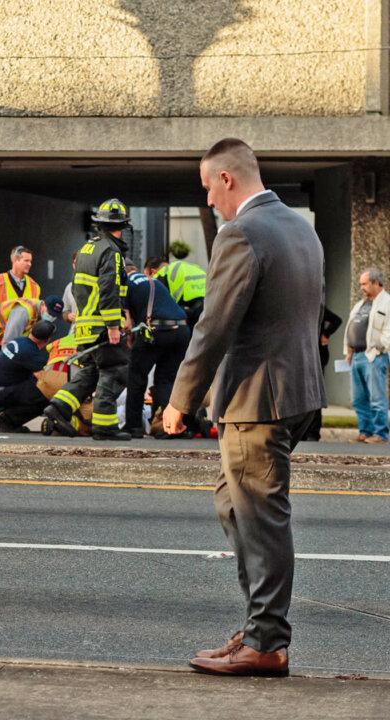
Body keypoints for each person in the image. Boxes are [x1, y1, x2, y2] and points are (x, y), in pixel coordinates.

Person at [163, 138, 326, 677]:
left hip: (258, 399)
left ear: (227, 179)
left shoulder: (242, 233)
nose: (208, 200)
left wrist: (180, 400)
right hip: (297, 392)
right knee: (236, 506)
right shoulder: (300, 228)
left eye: (208, 188)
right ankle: (261, 626)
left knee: (259, 516)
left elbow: (214, 326)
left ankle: (266, 642)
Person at [42, 198, 131, 441]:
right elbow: (109, 288)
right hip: (103, 325)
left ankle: (58, 407)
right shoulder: (111, 252)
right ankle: (105, 426)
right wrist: (114, 325)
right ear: (123, 225)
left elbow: (81, 290)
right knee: (114, 370)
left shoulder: (86, 249)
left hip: (83, 326)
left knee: (89, 373)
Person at [121, 259, 192, 439]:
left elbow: (127, 323)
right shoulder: (154, 282)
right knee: (166, 379)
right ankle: (171, 426)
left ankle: (134, 426)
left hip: (157, 330)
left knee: (136, 375)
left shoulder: (125, 284)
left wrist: (129, 341)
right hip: (182, 329)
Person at [343, 268, 390, 443]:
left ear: (376, 283)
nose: (361, 287)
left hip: (374, 356)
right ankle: (365, 432)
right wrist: (348, 350)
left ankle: (381, 434)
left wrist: (380, 348)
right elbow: (351, 327)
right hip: (356, 356)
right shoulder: (361, 304)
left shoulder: (386, 302)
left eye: (364, 283)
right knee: (358, 398)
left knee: (377, 397)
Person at [0, 320, 55, 433]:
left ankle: (5, 420)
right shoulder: (30, 352)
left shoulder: (20, 341)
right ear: (47, 340)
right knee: (45, 393)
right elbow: (48, 373)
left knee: (34, 385)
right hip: (2, 392)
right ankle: (7, 421)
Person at [304, 304, 343, 441]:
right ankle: (303, 431)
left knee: (315, 393)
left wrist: (325, 334)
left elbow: (337, 320)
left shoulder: (317, 307)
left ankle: (313, 432)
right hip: (305, 354)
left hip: (318, 354)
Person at [0, 245, 40, 318]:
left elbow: (36, 314)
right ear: (15, 260)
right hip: (1, 329)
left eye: (30, 261)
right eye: (26, 261)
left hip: (25, 329)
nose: (29, 264)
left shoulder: (34, 287)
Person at [145, 256, 206, 326]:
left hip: (192, 307)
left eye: (146, 276)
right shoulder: (191, 266)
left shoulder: (162, 274)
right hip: (208, 303)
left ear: (152, 272)